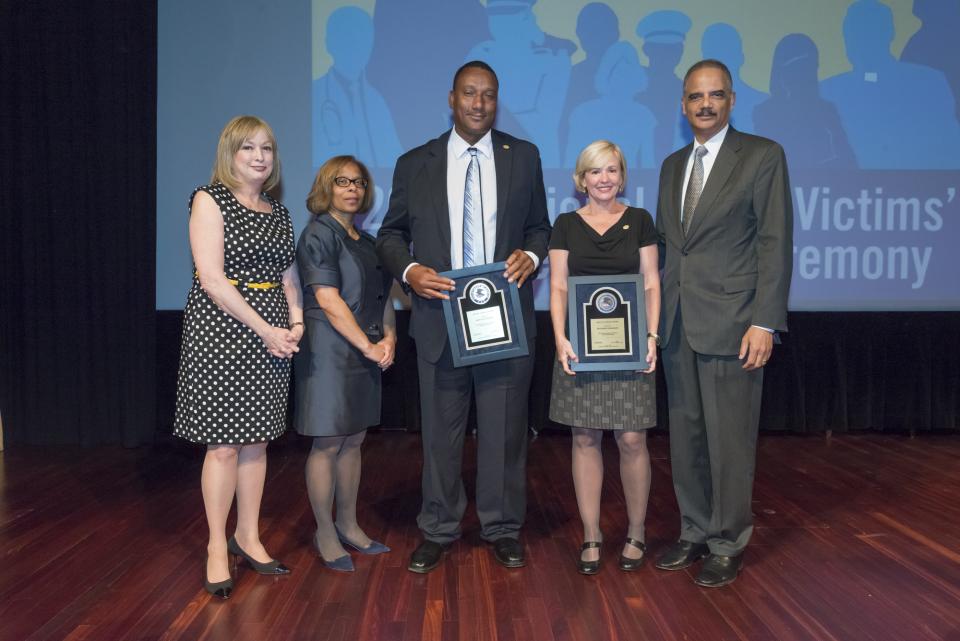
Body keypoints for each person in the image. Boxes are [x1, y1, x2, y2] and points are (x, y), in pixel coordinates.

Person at [376, 60, 551, 574]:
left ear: (498, 101)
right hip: (438, 320)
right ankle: (438, 528)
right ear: (451, 98)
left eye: (489, 95)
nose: (479, 103)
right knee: (440, 436)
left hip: (505, 322)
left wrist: (533, 257)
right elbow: (389, 236)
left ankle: (501, 527)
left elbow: (540, 227)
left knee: (504, 434)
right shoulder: (416, 162)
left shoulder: (525, 157)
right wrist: (410, 271)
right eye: (470, 94)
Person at [654, 60, 793, 587]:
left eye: (715, 95)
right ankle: (693, 530)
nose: (705, 104)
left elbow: (775, 243)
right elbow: (668, 249)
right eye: (695, 96)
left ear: (732, 100)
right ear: (683, 105)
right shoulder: (671, 166)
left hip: (735, 324)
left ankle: (728, 540)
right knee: (686, 437)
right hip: (678, 324)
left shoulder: (762, 156)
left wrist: (765, 320)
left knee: (730, 441)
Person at [173, 115, 303, 598]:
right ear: (230, 153)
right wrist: (267, 329)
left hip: (272, 334)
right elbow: (212, 279)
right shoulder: (210, 199)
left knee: (258, 443)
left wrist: (295, 324)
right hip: (223, 331)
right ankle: (215, 546)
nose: (260, 156)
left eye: (267, 148)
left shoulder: (279, 210)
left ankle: (248, 536)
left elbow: (290, 278)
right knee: (224, 445)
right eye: (248, 148)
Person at [548, 140, 660, 575]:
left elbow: (651, 282)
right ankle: (591, 533)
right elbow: (558, 286)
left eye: (612, 170)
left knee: (632, 439)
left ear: (622, 175)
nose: (604, 179)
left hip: (632, 347)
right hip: (581, 347)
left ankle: (637, 530)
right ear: (581, 179)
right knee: (584, 437)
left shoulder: (640, 221)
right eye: (595, 171)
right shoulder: (565, 225)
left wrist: (652, 335)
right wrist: (559, 337)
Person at [293, 156, 395, 572]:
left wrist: (387, 337)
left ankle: (349, 525)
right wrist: (368, 347)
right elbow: (327, 300)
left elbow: (383, 298)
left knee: (354, 440)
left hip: (366, 350)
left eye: (358, 182)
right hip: (330, 351)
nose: (352, 189)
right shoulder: (317, 233)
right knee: (328, 442)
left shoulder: (368, 243)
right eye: (342, 182)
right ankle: (325, 531)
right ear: (326, 187)